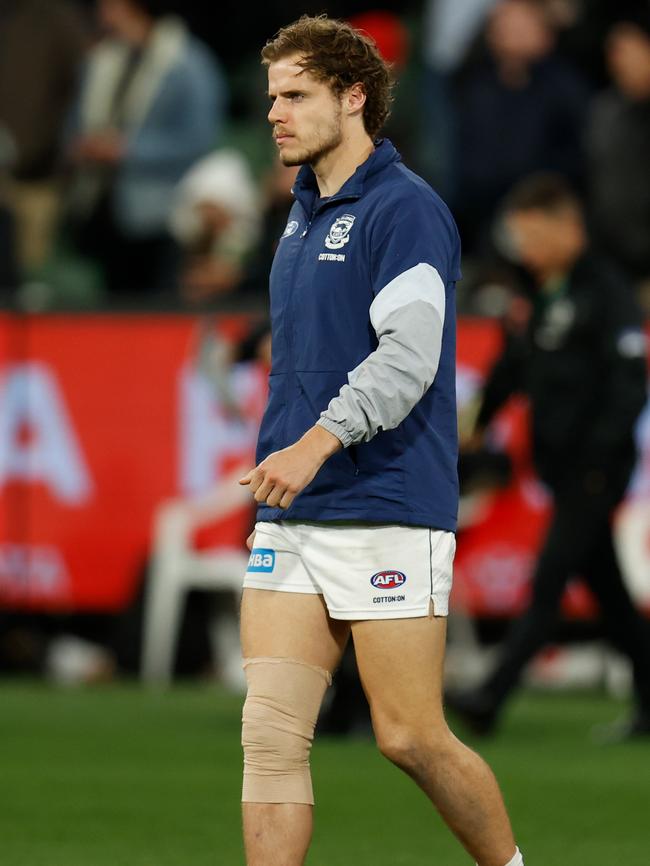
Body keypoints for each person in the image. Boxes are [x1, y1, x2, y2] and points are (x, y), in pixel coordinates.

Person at [237, 15, 524, 866]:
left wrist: (312, 443)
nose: (275, 115)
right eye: (270, 99)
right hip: (293, 518)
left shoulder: (406, 210)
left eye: (296, 96)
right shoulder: (299, 211)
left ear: (353, 97)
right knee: (271, 734)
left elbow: (407, 361)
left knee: (408, 736)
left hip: (385, 507)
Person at [447, 174, 650, 741]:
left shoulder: (605, 292)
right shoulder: (537, 294)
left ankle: (490, 696)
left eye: (534, 235)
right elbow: (513, 369)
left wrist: (600, 459)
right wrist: (480, 422)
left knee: (548, 580)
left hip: (595, 469)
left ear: (568, 227)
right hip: (559, 470)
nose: (524, 249)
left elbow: (629, 384)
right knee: (609, 593)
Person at [64, 0, 225, 298]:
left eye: (109, 5)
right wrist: (82, 146)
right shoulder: (101, 60)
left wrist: (128, 149)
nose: (102, 14)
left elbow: (201, 139)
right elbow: (74, 122)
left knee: (155, 307)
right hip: (101, 208)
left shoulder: (188, 62)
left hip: (162, 214)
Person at [586, 10, 650, 310]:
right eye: (612, 50)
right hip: (612, 263)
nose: (616, 58)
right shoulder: (603, 112)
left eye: (626, 49)